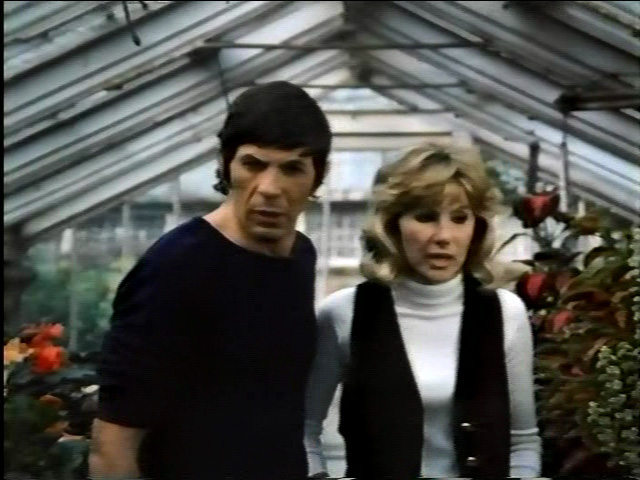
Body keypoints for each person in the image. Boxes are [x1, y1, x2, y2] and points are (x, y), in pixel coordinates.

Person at [89, 81, 332, 480]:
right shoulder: (177, 265)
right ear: (226, 164)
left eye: (292, 169)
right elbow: (113, 444)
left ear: (318, 176)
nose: (270, 189)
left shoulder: (299, 255)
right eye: (253, 164)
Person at [304, 144, 542, 478]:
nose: (444, 236)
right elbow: (304, 430)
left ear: (477, 227)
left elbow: (523, 442)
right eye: (426, 217)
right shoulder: (344, 313)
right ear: (393, 225)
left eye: (459, 218)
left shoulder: (505, 314)